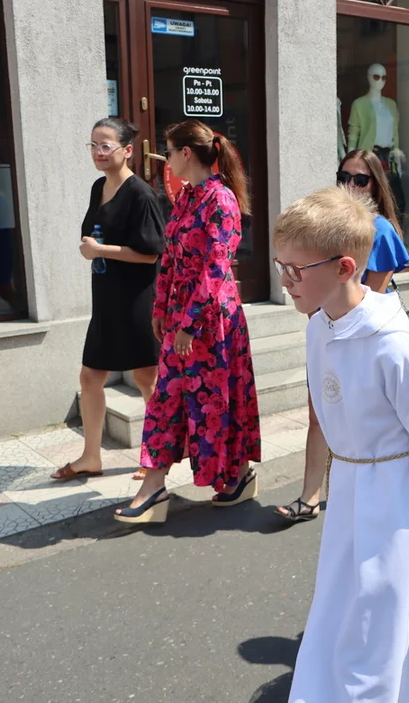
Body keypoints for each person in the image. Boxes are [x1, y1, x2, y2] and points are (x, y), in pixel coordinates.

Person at [276, 186, 409, 702]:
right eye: (280, 265)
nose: (284, 281)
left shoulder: (394, 347)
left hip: (394, 491)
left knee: (376, 605)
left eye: (296, 270)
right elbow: (326, 412)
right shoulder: (319, 326)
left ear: (344, 267)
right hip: (351, 481)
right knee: (350, 592)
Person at [114, 120, 261, 524]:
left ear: (187, 154)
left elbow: (216, 269)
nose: (165, 157)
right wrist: (161, 309)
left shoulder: (221, 200)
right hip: (183, 319)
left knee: (215, 403)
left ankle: (236, 475)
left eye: (168, 149)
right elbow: (170, 259)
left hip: (212, 324)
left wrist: (188, 325)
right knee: (166, 401)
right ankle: (154, 487)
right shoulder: (187, 198)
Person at [272, 149, 409, 524]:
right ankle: (310, 495)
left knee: (364, 427)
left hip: (361, 339)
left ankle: (362, 497)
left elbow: (372, 297)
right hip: (328, 329)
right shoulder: (332, 231)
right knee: (320, 414)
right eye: (344, 176)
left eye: (360, 179)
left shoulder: (377, 230)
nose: (351, 185)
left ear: (376, 184)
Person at [51, 118, 166, 483]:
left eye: (106, 146)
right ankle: (90, 457)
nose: (98, 153)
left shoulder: (141, 194)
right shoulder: (98, 187)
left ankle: (155, 457)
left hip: (136, 297)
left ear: (127, 150)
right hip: (105, 298)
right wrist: (95, 248)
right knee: (90, 377)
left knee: (147, 377)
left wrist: (101, 249)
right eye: (93, 146)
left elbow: (150, 253)